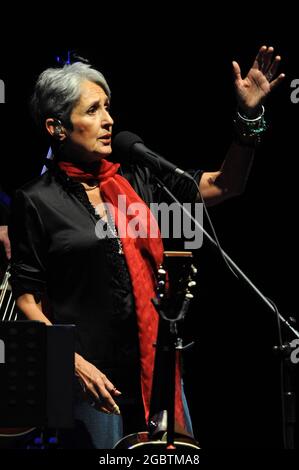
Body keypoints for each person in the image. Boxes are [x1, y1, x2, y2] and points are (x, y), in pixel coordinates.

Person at [8, 45, 284, 449]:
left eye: (108, 107)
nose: (109, 120)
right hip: (90, 382)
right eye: (93, 111)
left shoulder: (139, 179)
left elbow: (226, 184)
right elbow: (27, 299)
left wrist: (249, 119)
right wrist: (72, 364)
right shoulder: (35, 200)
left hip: (157, 369)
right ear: (57, 127)